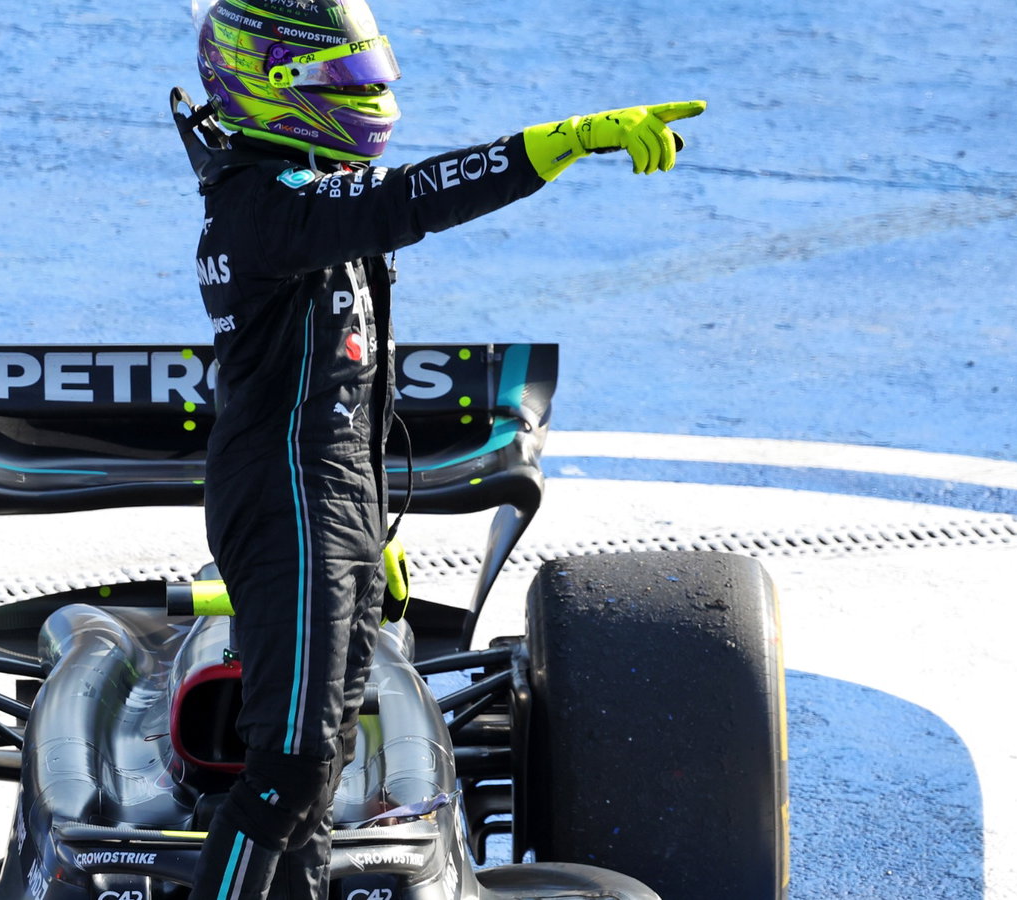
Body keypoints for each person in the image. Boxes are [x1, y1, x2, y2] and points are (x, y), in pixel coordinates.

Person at [184, 2, 704, 899]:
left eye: (371, 77)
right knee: (288, 771)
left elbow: (340, 395)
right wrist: (561, 141)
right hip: (291, 503)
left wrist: (365, 520)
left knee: (318, 773)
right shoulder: (269, 208)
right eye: (344, 81)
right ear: (274, 91)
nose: (369, 95)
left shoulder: (292, 192)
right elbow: (411, 199)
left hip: (321, 500)